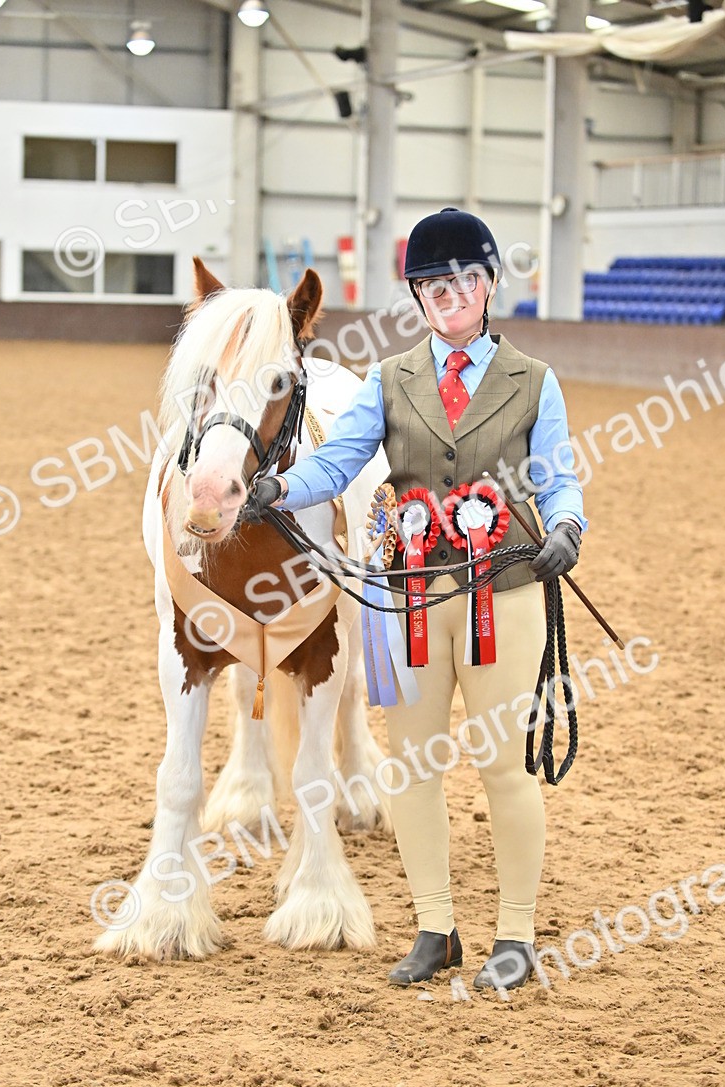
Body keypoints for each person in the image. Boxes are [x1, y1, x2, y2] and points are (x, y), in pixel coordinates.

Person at [248, 207, 585, 992]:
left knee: (505, 767)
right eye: (433, 283)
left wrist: (567, 523)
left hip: (506, 589)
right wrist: (279, 485)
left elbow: (561, 476)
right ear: (418, 295)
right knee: (413, 769)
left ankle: (517, 934)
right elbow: (337, 462)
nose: (450, 293)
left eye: (466, 278)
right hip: (409, 598)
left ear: (490, 283)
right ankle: (436, 927)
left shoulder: (535, 382)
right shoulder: (389, 379)